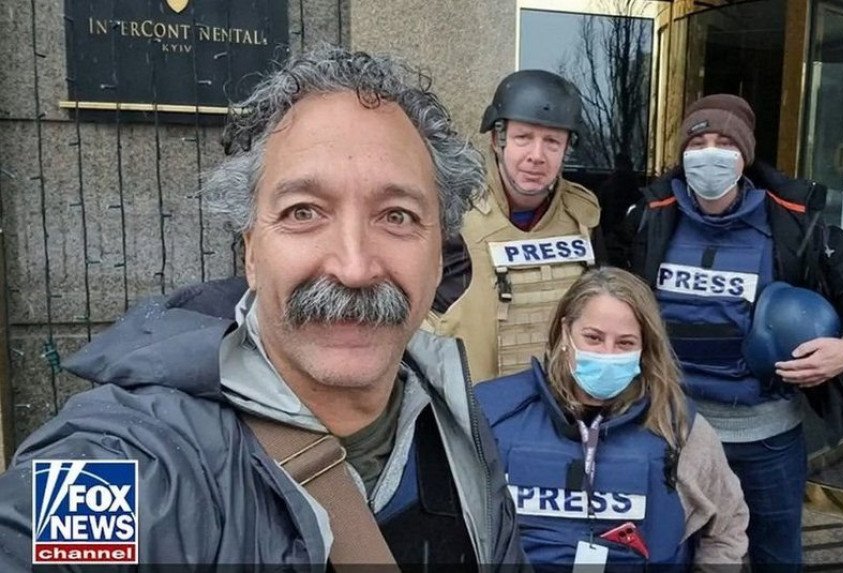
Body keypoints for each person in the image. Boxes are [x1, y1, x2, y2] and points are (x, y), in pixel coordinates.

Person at [0, 47, 525, 570]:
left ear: (439, 255)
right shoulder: (133, 463)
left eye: (397, 215)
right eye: (304, 212)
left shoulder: (458, 423)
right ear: (251, 251)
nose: (354, 266)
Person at [624, 94, 843, 568]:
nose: (710, 153)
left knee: (775, 557)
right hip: (674, 433)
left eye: (725, 143)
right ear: (683, 153)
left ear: (745, 156)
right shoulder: (650, 219)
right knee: (676, 556)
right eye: (699, 141)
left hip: (767, 442)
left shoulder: (792, 223)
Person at [475, 267, 749, 570]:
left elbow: (726, 524)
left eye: (625, 343)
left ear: (645, 347)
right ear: (566, 331)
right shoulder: (494, 413)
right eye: (593, 337)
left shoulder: (678, 426)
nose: (607, 353)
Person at [426, 69, 602, 382]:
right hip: (473, 410)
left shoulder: (584, 217)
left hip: (560, 406)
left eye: (552, 142)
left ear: (566, 150)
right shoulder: (453, 213)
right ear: (498, 140)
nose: (537, 156)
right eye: (524, 138)